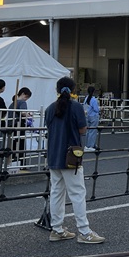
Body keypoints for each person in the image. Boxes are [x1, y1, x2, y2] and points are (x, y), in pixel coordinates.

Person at [45, 76, 105, 244]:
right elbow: (83, 129)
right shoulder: (76, 107)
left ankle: (57, 229)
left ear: (57, 90)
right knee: (77, 193)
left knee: (57, 193)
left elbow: (49, 128)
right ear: (73, 90)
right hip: (71, 155)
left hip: (53, 155)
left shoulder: (50, 108)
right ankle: (84, 232)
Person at [83, 87, 101, 151]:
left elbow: (84, 107)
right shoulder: (94, 99)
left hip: (87, 116)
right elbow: (96, 109)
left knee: (88, 131)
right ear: (93, 92)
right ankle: (90, 145)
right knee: (93, 131)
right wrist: (100, 109)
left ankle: (88, 145)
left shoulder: (86, 98)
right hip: (94, 116)